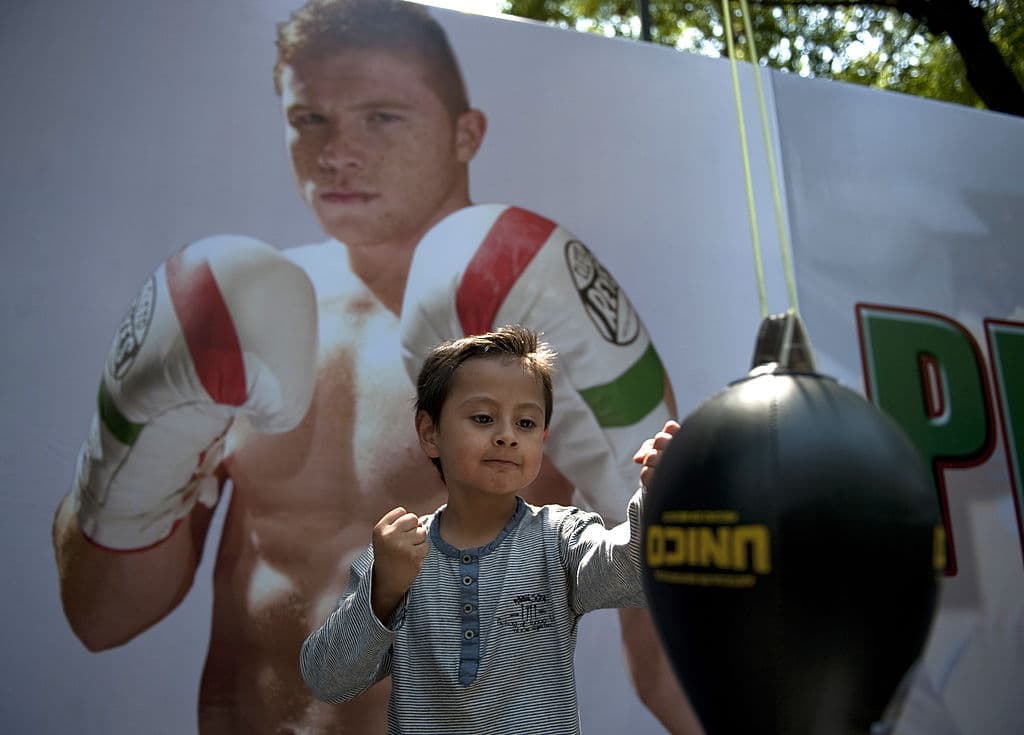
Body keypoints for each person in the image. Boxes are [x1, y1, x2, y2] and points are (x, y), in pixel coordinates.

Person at [51, 1, 701, 732]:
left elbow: (677, 678)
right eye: (310, 120)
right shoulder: (237, 315)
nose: (337, 153)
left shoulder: (536, 335)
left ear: (467, 133)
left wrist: (658, 500)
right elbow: (102, 618)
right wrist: (120, 462)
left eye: (381, 117)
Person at [301, 326, 680, 734]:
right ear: (430, 433)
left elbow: (635, 572)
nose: (506, 436)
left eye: (526, 423)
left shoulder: (560, 537)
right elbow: (327, 681)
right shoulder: (397, 556)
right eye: (483, 418)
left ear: (544, 439)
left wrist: (657, 497)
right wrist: (384, 591)